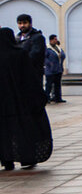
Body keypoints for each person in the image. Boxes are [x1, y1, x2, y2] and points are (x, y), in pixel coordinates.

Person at [0, 27, 52, 171]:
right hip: (21, 102)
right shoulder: (20, 54)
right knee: (23, 130)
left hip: (3, 104)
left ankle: (7, 160)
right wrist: (39, 97)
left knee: (4, 132)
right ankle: (27, 158)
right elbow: (30, 78)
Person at [15, 14, 46, 84]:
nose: (22, 25)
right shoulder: (17, 38)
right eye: (20, 23)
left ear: (30, 24)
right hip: (20, 73)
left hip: (33, 73)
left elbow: (35, 55)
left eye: (25, 23)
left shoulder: (38, 37)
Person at [44, 35, 66, 104]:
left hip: (58, 69)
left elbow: (63, 55)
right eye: (55, 39)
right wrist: (50, 64)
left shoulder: (58, 48)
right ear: (51, 40)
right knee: (49, 85)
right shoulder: (47, 48)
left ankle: (58, 98)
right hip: (50, 70)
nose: (56, 40)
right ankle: (47, 98)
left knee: (57, 85)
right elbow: (44, 58)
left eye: (56, 39)